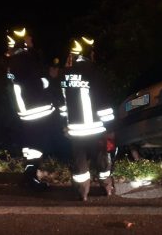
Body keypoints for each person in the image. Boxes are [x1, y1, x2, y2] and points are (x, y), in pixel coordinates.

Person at [5, 27, 68, 190]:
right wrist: (51, 78)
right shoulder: (26, 58)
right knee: (43, 143)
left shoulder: (12, 60)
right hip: (38, 108)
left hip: (24, 111)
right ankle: (32, 177)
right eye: (28, 39)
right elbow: (38, 83)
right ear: (23, 42)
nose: (31, 40)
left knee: (31, 146)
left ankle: (29, 176)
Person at [61, 36, 115, 201]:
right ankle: (107, 187)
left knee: (80, 163)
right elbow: (103, 101)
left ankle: (82, 192)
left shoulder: (67, 75)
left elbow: (63, 103)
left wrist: (65, 124)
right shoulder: (94, 72)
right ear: (89, 53)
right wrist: (110, 126)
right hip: (96, 128)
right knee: (102, 160)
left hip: (75, 129)